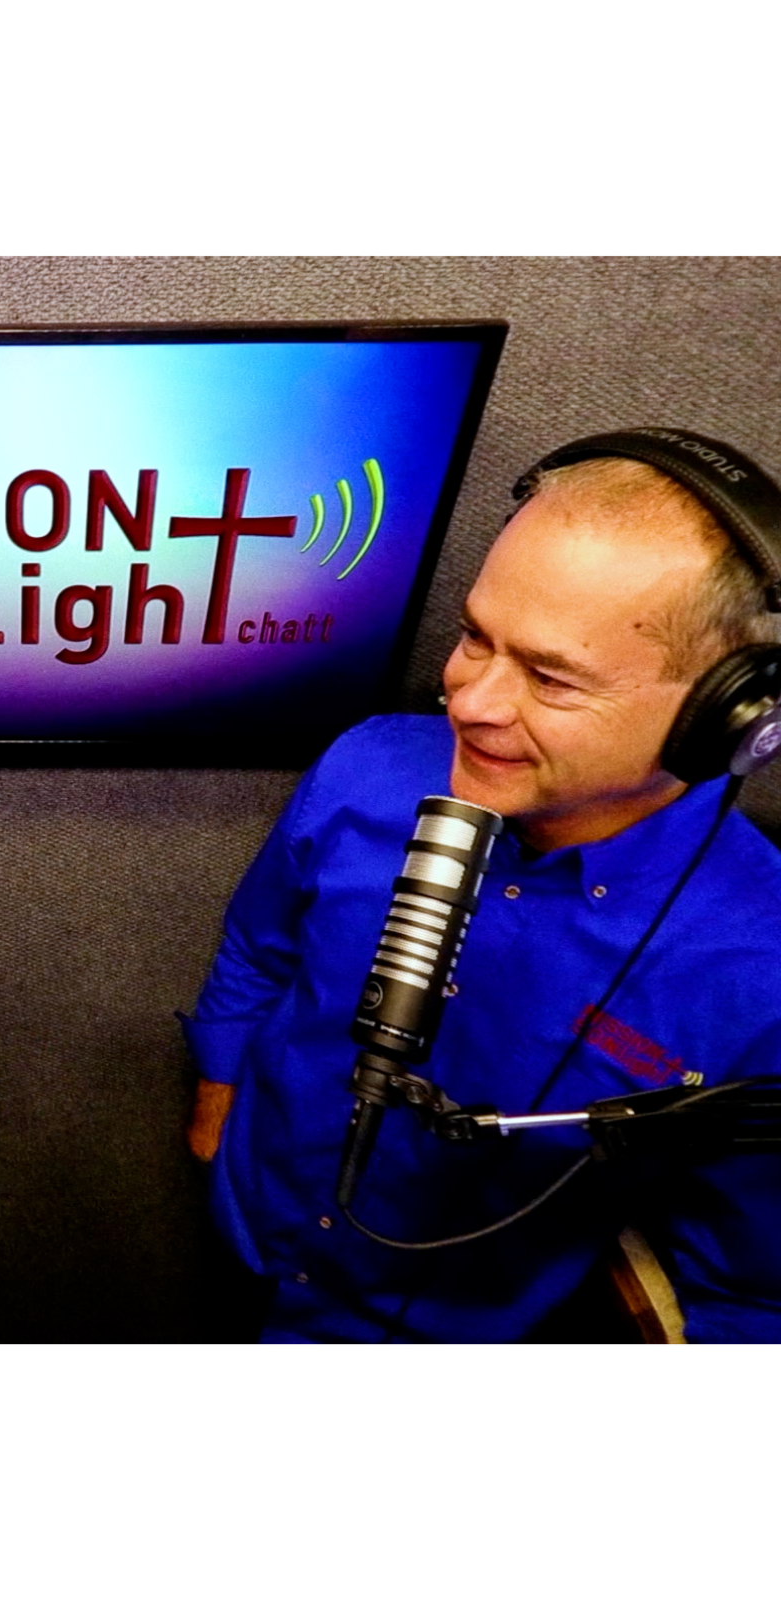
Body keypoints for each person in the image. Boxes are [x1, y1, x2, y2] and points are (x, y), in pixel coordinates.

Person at [184, 431, 781, 1344]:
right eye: (474, 637)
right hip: (249, 1244)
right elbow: (259, 947)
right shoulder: (368, 765)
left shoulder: (761, 971)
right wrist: (216, 1096)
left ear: (723, 717)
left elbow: (745, 1283)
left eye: (549, 677)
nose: (469, 700)